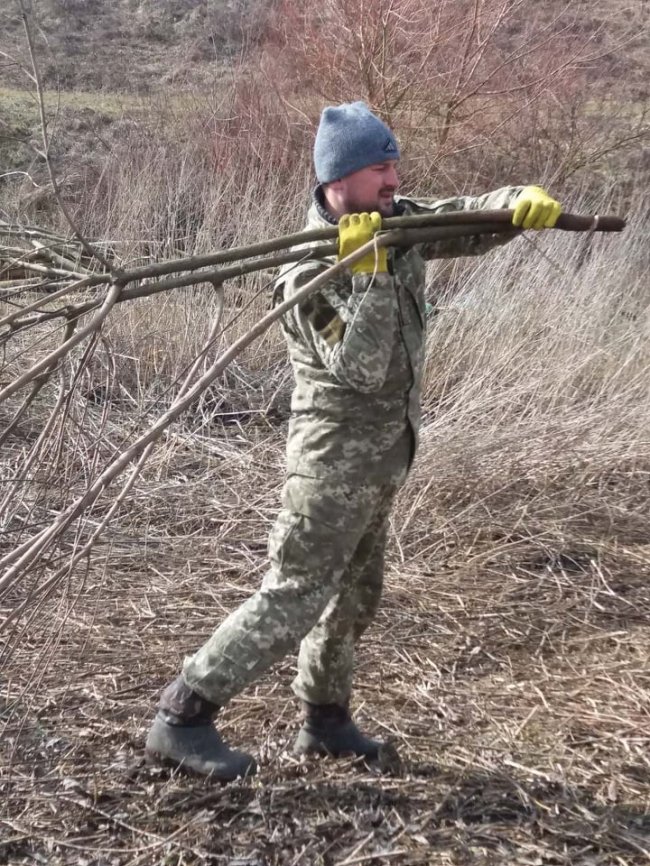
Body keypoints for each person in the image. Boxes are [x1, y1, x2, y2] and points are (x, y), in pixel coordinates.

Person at [145, 101, 562, 780]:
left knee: (355, 597)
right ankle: (183, 715)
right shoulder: (303, 274)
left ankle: (325, 720)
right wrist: (364, 271)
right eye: (380, 167)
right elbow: (359, 368)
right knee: (295, 593)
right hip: (331, 464)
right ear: (339, 180)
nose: (394, 177)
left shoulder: (398, 224)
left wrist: (520, 203)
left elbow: (470, 217)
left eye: (395, 163)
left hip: (385, 456)